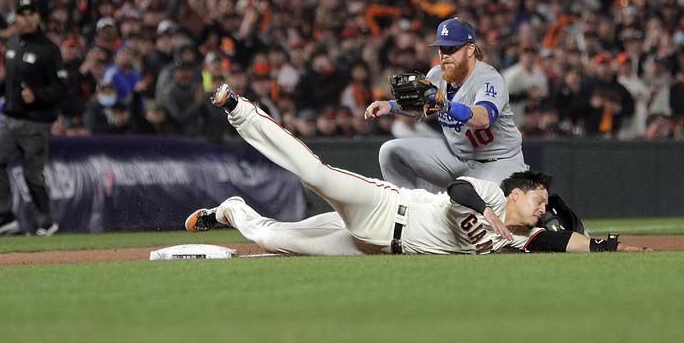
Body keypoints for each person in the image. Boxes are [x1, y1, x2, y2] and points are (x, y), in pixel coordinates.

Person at [190, 84, 632, 255]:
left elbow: (557, 242)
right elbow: (459, 191)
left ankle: (231, 210)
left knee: (270, 238)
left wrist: (605, 246)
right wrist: (490, 213)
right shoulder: (494, 195)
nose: (541, 207)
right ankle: (240, 111)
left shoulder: (516, 244)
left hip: (374, 248)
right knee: (319, 176)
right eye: (538, 196)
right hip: (386, 209)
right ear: (517, 192)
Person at [364, 18, 527, 192]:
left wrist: (445, 105)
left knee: (477, 205)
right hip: (457, 158)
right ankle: (409, 210)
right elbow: (421, 104)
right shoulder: (436, 74)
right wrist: (389, 105)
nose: (445, 55)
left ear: (470, 49)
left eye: (453, 49)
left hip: (499, 161)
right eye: (442, 49)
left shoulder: (489, 78)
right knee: (390, 152)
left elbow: (483, 118)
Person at [0, 0, 67, 237]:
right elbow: (11, 79)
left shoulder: (49, 49)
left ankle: (46, 223)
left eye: (31, 13)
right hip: (9, 118)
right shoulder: (11, 45)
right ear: (16, 18)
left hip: (36, 122)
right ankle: (7, 215)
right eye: (22, 13)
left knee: (32, 175)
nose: (27, 18)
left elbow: (61, 88)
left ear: (38, 17)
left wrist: (37, 95)